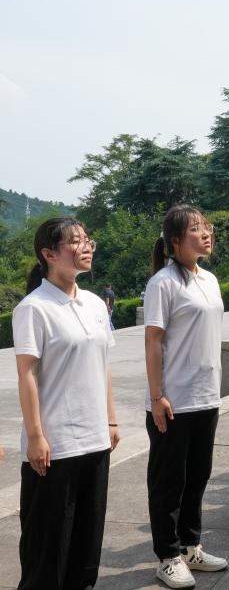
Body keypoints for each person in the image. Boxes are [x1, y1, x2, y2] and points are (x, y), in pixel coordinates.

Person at [13, 218, 119, 589]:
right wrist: (36, 437)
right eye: (76, 241)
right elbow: (26, 374)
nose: (87, 245)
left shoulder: (93, 303)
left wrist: (110, 421)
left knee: (85, 549)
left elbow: (103, 364)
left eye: (88, 239)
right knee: (47, 552)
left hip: (94, 442)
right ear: (48, 254)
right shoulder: (34, 308)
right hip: (54, 448)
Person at [143, 205, 228, 589]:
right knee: (168, 483)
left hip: (206, 396)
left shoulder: (208, 279)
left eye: (206, 226)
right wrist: (157, 395)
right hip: (173, 401)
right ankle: (168, 555)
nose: (206, 233)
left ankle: (191, 544)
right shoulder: (163, 283)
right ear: (175, 241)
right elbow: (153, 341)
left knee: (198, 475)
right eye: (196, 229)